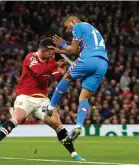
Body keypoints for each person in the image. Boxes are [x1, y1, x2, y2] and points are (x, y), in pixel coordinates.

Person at [0, 38, 86, 161]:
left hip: (42, 99)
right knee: (18, 117)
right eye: (50, 51)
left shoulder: (51, 60)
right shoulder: (31, 57)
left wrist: (62, 73)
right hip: (26, 95)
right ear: (43, 50)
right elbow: (38, 71)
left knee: (57, 123)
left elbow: (56, 78)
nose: (52, 54)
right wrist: (55, 65)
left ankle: (74, 154)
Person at [44, 14, 109, 143]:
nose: (68, 30)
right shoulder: (91, 30)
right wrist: (59, 50)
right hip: (103, 64)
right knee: (83, 97)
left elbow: (73, 50)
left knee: (67, 76)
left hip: (89, 58)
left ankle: (51, 107)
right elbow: (76, 51)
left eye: (67, 27)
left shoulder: (78, 25)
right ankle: (78, 126)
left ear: (73, 21)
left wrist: (63, 44)